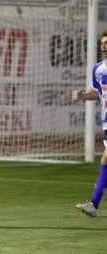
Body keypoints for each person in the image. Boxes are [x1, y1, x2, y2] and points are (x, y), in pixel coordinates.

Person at [73, 30, 107, 217]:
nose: (103, 46)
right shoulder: (98, 69)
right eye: (102, 43)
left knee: (105, 159)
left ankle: (93, 205)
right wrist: (83, 96)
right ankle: (93, 205)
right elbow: (96, 92)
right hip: (106, 123)